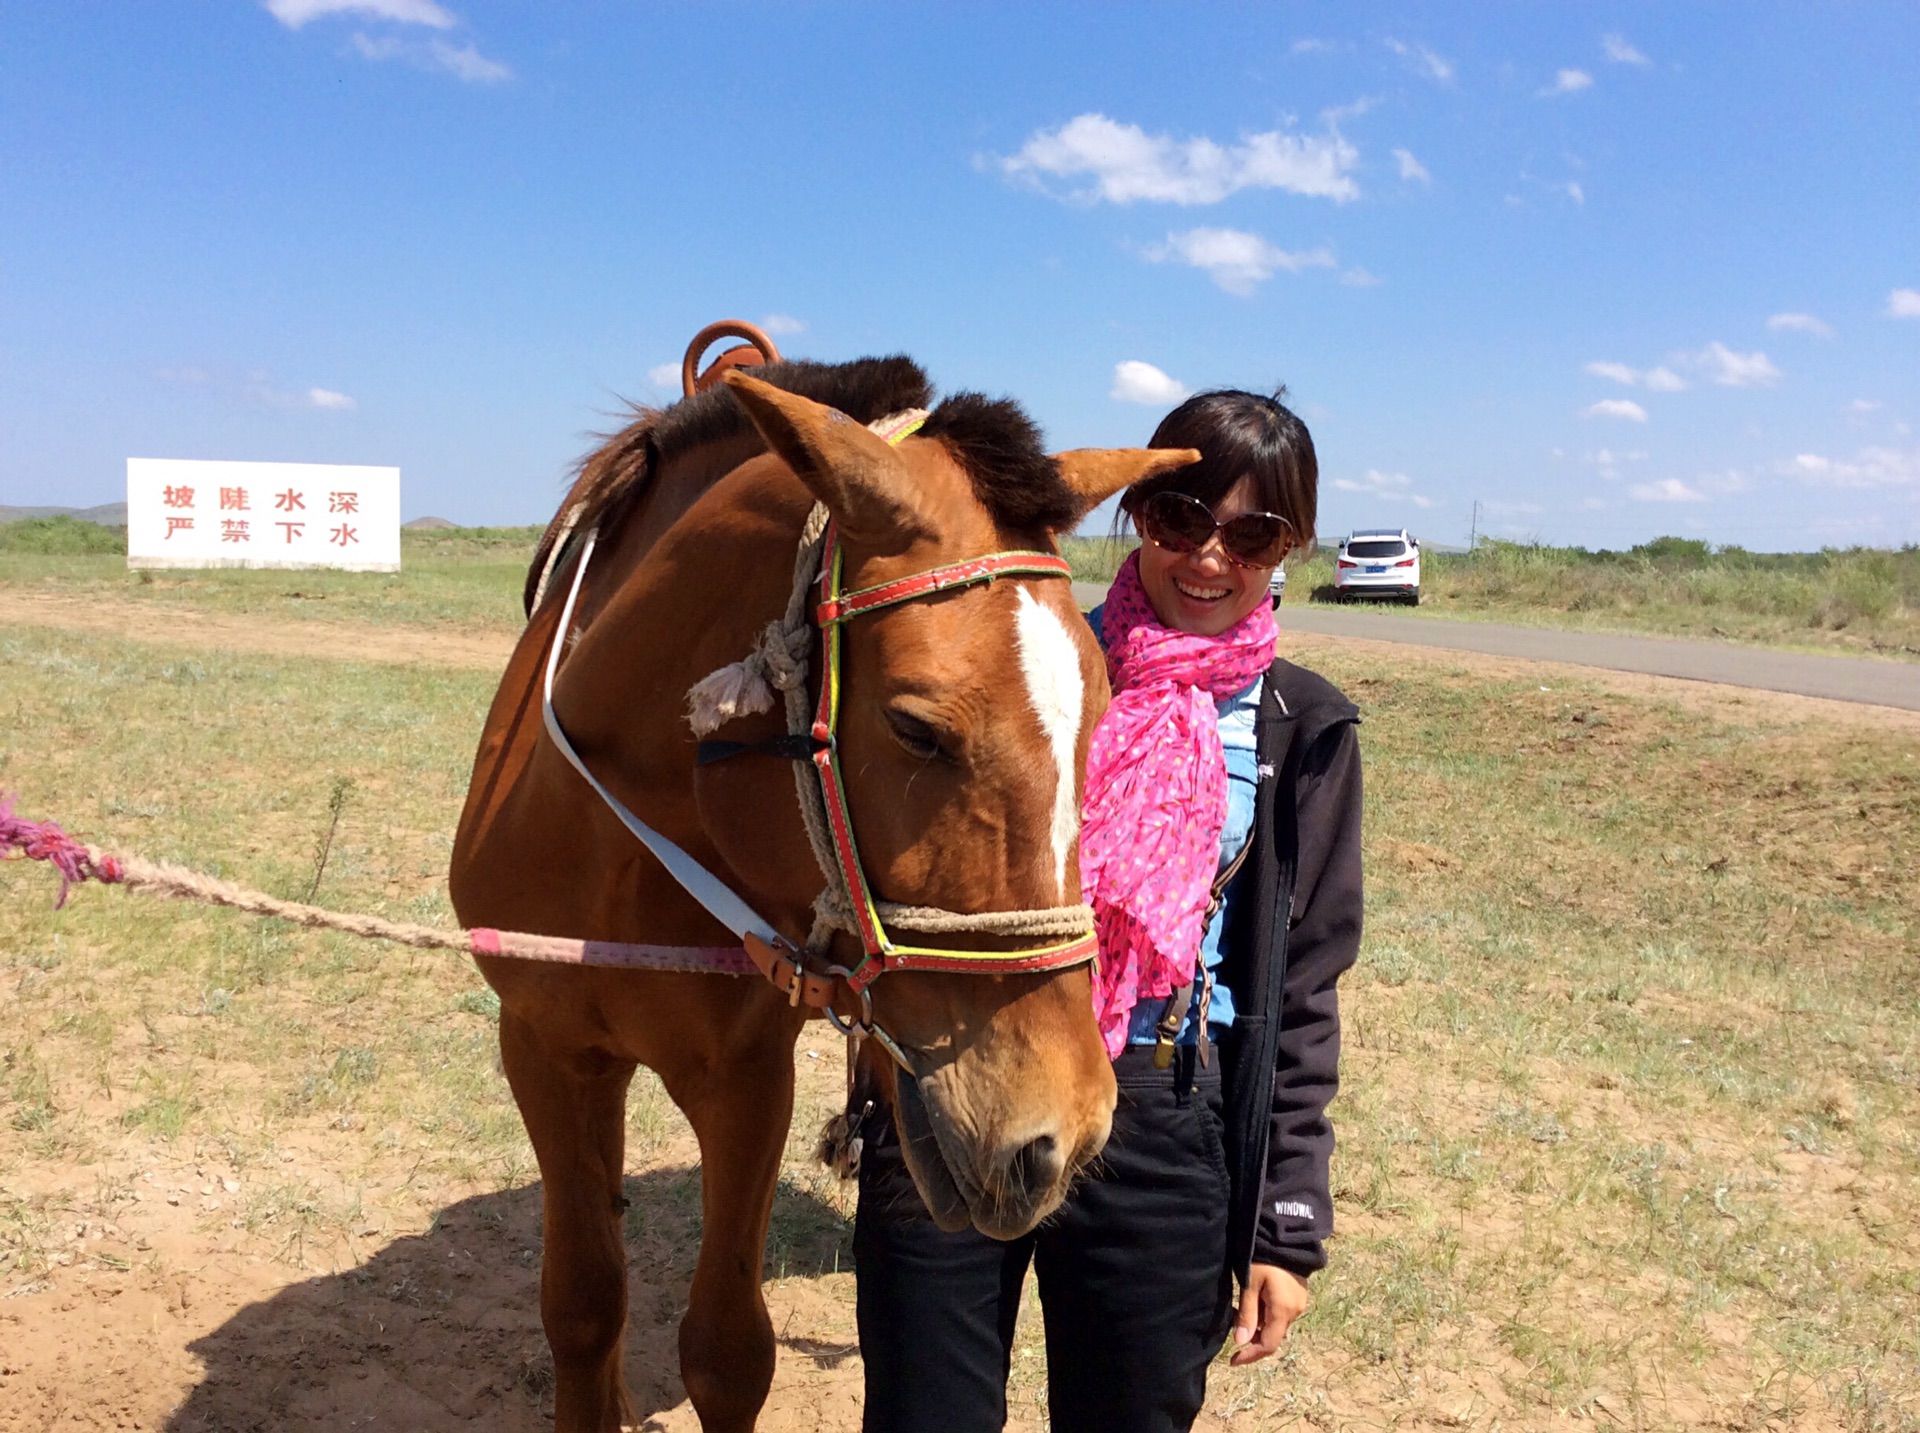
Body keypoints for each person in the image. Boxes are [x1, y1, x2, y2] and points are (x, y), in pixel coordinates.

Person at [852, 388, 1364, 1433]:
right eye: (1182, 519)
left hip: (1164, 1101)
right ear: (1137, 517)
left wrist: (1285, 1223)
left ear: (1291, 548)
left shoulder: (1299, 724)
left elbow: (1305, 981)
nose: (1210, 558)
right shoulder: (1030, 664)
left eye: (1253, 535)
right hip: (964, 1058)